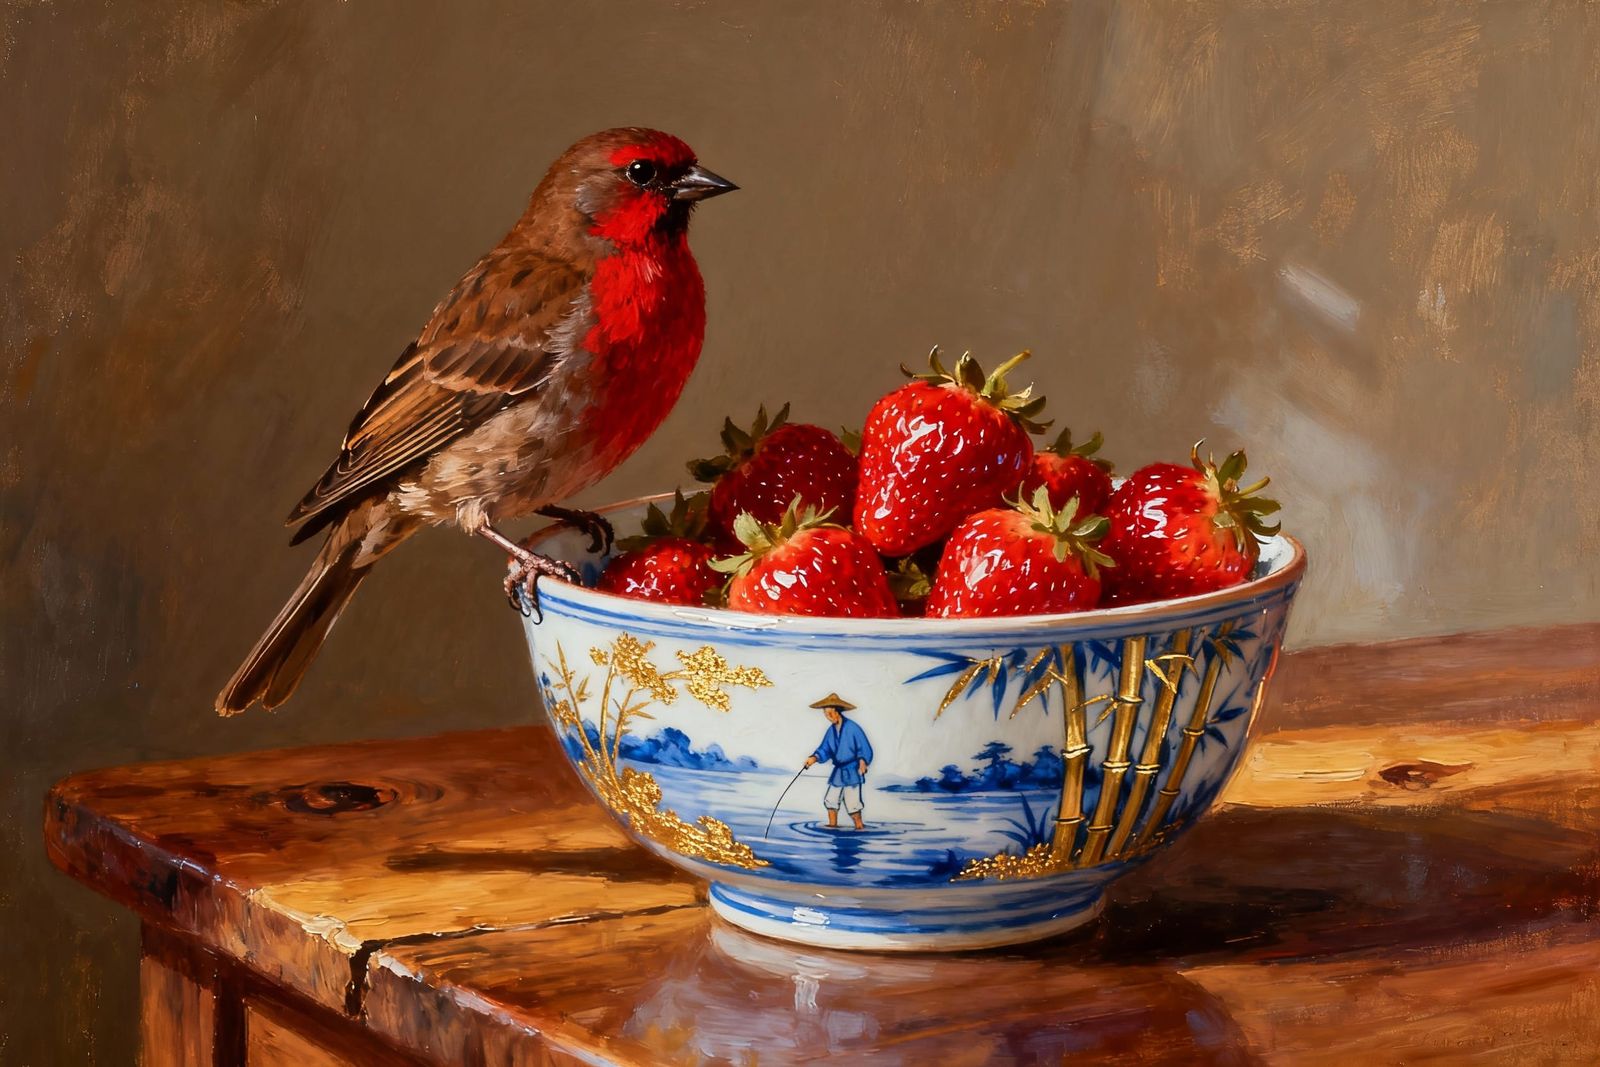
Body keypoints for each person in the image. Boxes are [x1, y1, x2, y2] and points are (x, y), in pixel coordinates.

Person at [803, 694, 873, 830]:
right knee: (830, 800)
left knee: (853, 804)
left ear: (837, 712)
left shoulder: (853, 728)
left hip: (852, 770)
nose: (828, 717)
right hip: (838, 772)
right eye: (825, 714)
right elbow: (825, 749)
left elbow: (864, 748)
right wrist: (814, 758)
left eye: (829, 714)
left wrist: (863, 761)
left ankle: (860, 828)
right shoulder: (831, 731)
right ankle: (832, 827)